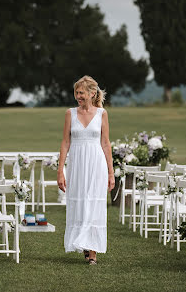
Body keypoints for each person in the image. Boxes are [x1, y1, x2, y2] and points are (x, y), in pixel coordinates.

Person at [57, 75, 115, 265]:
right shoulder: (70, 113)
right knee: (79, 202)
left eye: (81, 93)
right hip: (77, 165)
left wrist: (110, 172)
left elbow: (106, 144)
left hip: (96, 164)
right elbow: (66, 142)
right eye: (76, 93)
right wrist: (60, 171)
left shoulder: (102, 114)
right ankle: (82, 241)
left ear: (92, 93)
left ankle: (93, 252)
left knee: (95, 203)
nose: (78, 96)